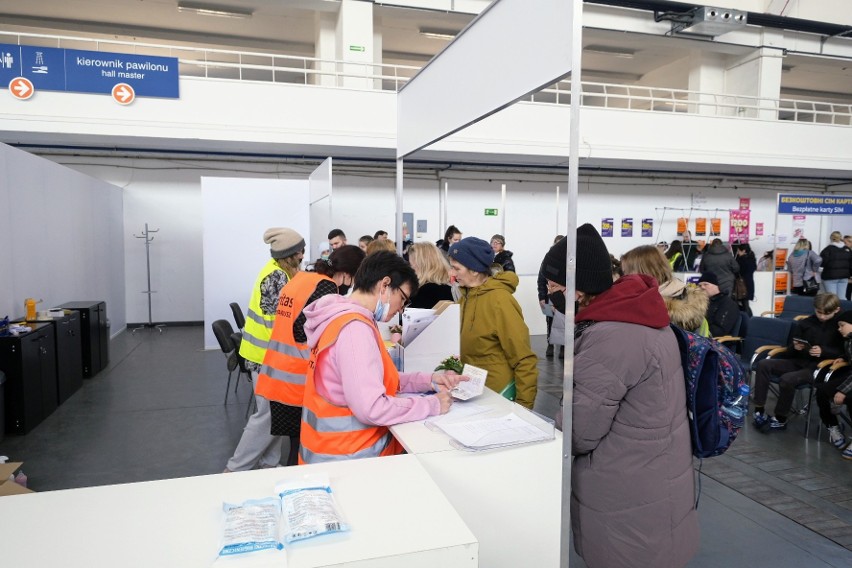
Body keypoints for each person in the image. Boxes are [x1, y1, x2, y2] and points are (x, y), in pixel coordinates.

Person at [542, 223, 699, 568]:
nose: (549, 294)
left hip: (626, 492)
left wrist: (551, 428)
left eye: (553, 286)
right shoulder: (636, 316)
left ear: (577, 289)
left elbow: (579, 431)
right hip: (651, 477)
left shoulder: (611, 337)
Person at [298, 251, 466, 464]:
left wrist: (429, 380)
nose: (400, 308)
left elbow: (377, 378)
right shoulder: (354, 329)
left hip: (333, 452)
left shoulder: (341, 318)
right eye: (402, 298)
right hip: (352, 459)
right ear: (385, 285)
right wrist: (432, 405)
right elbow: (372, 408)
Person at [256, 245, 366, 466]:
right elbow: (302, 329)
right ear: (346, 274)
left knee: (294, 445)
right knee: (299, 450)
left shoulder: (302, 278)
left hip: (278, 374)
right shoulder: (326, 288)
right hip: (296, 381)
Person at [225, 227, 305, 472]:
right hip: (265, 357)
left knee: (273, 414)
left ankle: (269, 464)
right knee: (268, 416)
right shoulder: (276, 278)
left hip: (266, 355)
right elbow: (284, 320)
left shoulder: (277, 272)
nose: (303, 255)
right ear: (289, 255)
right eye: (300, 252)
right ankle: (235, 468)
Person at [448, 237, 538, 408]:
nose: (452, 273)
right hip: (474, 392)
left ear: (474, 270)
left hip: (499, 395)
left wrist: (523, 407)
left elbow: (524, 359)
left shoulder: (500, 301)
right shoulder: (466, 297)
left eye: (456, 268)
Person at [753, 293, 843, 431]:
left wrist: (824, 352)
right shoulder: (805, 323)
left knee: (787, 379)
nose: (822, 316)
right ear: (814, 308)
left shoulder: (841, 326)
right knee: (763, 364)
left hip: (820, 368)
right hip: (799, 361)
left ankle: (781, 418)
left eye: (827, 314)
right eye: (819, 312)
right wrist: (795, 347)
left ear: (836, 310)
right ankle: (759, 408)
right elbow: (789, 352)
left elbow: (844, 352)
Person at [620, 245, 709, 336]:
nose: (624, 278)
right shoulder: (687, 297)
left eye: (627, 272)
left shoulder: (653, 306)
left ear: (642, 271)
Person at [815, 310, 852, 457]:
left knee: (849, 398)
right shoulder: (848, 340)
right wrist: (844, 358)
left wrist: (842, 391)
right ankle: (833, 426)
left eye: (842, 325)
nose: (839, 328)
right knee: (822, 391)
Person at [538, 234, 565, 358]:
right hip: (549, 297)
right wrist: (542, 297)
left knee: (564, 321)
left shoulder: (569, 259)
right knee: (550, 320)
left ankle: (564, 347)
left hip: (564, 297)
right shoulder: (547, 259)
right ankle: (550, 344)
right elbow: (541, 280)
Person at [407, 242, 454, 309]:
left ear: (421, 265)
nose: (410, 268)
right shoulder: (449, 288)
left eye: (411, 264)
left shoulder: (425, 292)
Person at [697, 272, 740, 337]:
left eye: (706, 284)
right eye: (699, 285)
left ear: (716, 286)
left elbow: (719, 330)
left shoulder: (728, 304)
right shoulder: (699, 302)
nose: (702, 287)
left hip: (716, 342)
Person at [820, 231, 852, 297]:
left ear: (831, 238)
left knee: (832, 298)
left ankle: (834, 307)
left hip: (830, 276)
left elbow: (822, 263)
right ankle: (843, 307)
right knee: (842, 297)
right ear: (840, 238)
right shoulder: (847, 249)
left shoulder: (827, 249)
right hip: (844, 277)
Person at [733, 242, 757, 314]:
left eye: (739, 250)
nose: (737, 252)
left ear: (743, 250)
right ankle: (749, 319)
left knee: (744, 304)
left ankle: (748, 320)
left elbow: (737, 271)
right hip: (749, 283)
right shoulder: (752, 258)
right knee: (745, 303)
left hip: (742, 284)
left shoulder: (741, 260)